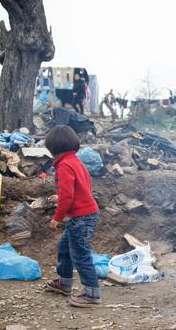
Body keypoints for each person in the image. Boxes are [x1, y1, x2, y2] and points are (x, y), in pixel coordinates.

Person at [44, 125, 102, 307]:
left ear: (53, 149)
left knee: (80, 255)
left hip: (81, 218)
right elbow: (80, 189)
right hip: (85, 214)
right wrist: (60, 197)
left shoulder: (64, 166)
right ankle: (65, 283)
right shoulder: (76, 162)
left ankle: (92, 294)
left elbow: (68, 197)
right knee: (65, 248)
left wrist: (57, 218)